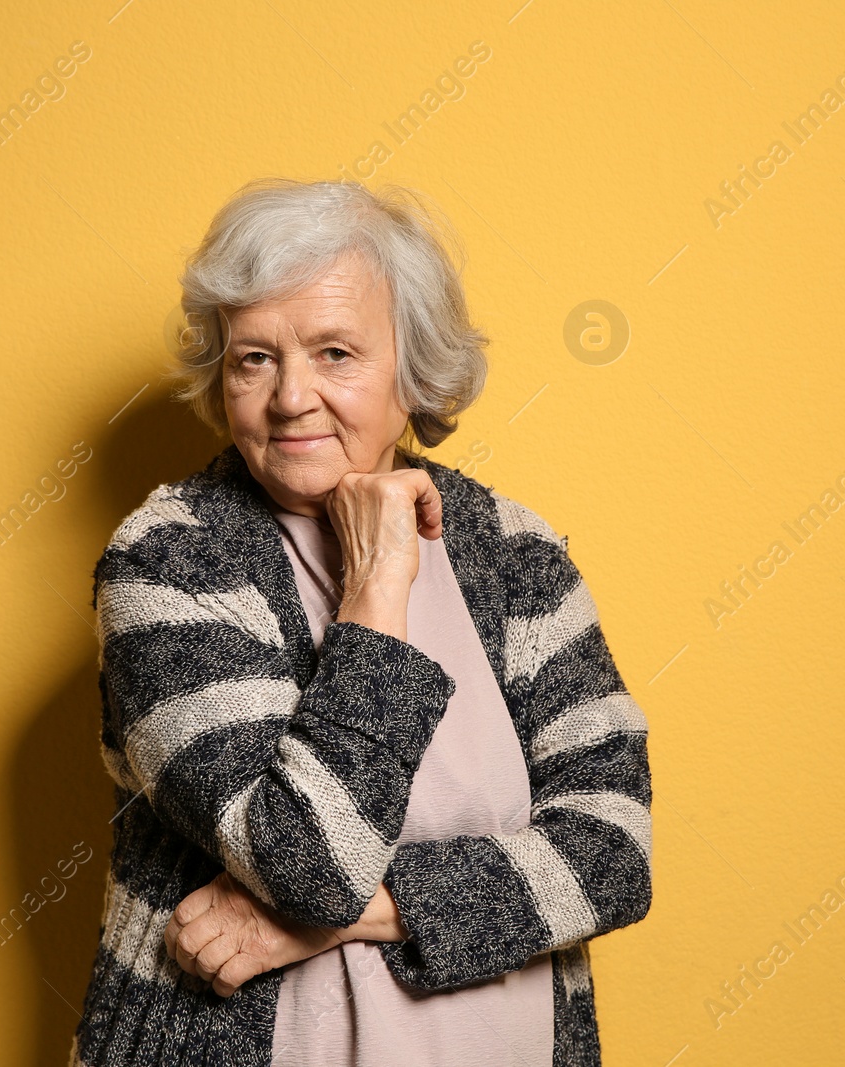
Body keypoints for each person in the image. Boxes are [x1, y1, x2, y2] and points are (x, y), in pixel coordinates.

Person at [69, 177, 652, 1066]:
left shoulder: (516, 555)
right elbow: (306, 862)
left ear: (413, 371)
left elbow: (612, 853)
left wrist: (335, 924)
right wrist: (377, 583)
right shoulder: (171, 560)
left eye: (335, 352)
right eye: (253, 357)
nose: (291, 395)